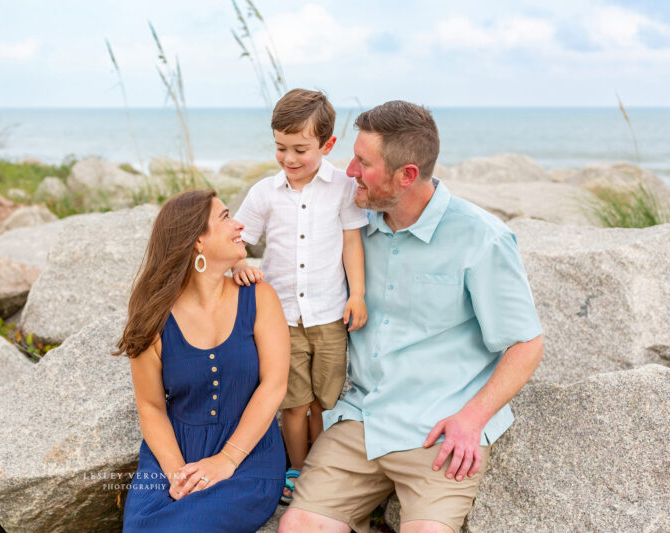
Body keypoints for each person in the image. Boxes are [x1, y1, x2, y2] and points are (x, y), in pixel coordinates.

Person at [278, 101, 544, 533]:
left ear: (406, 175)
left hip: (441, 429)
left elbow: (527, 343)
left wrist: (472, 419)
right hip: (363, 418)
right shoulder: (351, 224)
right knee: (298, 527)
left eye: (363, 163)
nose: (348, 171)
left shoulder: (482, 238)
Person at [115, 190, 289, 532]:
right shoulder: (153, 316)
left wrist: (227, 460)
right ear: (197, 241)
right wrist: (178, 475)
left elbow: (275, 385)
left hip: (248, 456)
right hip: (170, 455)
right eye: (225, 217)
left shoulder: (259, 298)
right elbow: (150, 406)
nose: (239, 224)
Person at [232, 88, 369, 504]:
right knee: (292, 402)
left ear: (327, 145)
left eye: (300, 149)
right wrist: (238, 264)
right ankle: (297, 468)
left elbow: (351, 243)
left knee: (324, 402)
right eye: (280, 148)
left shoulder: (343, 188)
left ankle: (321, 469)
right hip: (282, 319)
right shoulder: (264, 193)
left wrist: (357, 294)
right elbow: (239, 239)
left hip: (329, 315)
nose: (289, 159)